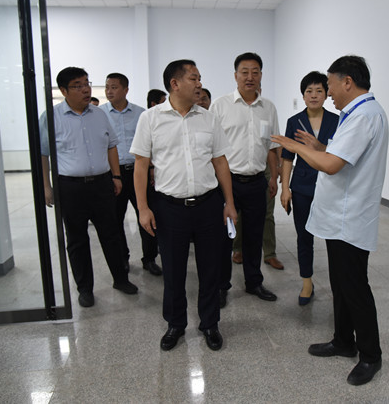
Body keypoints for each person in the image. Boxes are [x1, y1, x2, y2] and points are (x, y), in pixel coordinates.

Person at [271, 55, 388, 386]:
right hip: (341, 217)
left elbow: (332, 165)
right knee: (340, 283)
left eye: (330, 85)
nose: (328, 92)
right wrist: (318, 146)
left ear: (347, 82)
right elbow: (337, 154)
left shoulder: (364, 116)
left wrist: (294, 146)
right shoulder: (356, 114)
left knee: (355, 287)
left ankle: (370, 355)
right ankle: (343, 340)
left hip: (350, 218)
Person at [130, 60, 237, 352]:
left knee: (210, 269)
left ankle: (210, 324)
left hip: (208, 205)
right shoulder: (150, 119)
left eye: (199, 78)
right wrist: (143, 208)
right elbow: (141, 165)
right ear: (175, 84)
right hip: (169, 208)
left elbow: (220, 162)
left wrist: (229, 203)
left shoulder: (209, 118)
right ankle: (175, 324)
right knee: (174, 271)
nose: (199, 84)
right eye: (193, 78)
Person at [40, 66, 138, 308]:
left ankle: (121, 279)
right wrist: (46, 186)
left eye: (86, 84)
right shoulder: (51, 117)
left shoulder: (100, 114)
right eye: (78, 86)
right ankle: (85, 289)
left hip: (102, 184)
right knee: (77, 239)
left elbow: (111, 145)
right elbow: (42, 154)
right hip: (70, 188)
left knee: (111, 234)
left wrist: (116, 176)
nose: (85, 89)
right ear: (63, 91)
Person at [211, 52, 280, 307]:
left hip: (257, 182)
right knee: (224, 238)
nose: (250, 77)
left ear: (261, 75)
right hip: (227, 183)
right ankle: (221, 286)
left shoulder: (268, 108)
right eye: (244, 72)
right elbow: (212, 149)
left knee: (254, 235)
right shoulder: (220, 106)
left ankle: (254, 282)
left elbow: (271, 146)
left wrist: (273, 177)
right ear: (235, 75)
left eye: (255, 72)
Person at [280, 71, 339, 305]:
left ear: (326, 94)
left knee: (334, 239)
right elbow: (287, 158)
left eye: (319, 91)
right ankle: (307, 283)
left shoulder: (337, 120)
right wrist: (285, 189)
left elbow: (340, 154)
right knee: (304, 236)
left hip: (330, 187)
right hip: (302, 187)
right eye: (309, 91)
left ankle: (338, 285)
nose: (314, 95)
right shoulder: (294, 121)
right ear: (303, 95)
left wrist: (319, 146)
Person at [100, 73, 162, 276]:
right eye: (107, 87)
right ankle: (123, 258)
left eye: (114, 87)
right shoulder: (100, 114)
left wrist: (151, 169)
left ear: (126, 90)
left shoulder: (141, 114)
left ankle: (149, 259)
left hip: (138, 172)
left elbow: (151, 144)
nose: (109, 91)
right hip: (113, 175)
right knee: (115, 220)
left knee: (147, 215)